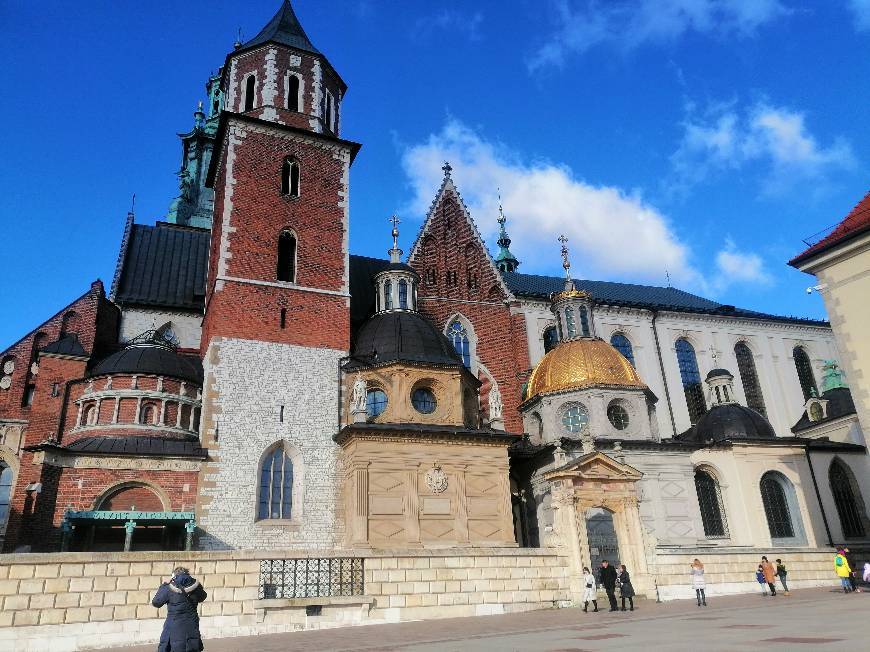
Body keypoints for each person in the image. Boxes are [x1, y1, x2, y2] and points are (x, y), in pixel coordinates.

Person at [151, 566, 207, 652]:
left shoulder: (168, 587)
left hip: (173, 626)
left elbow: (156, 603)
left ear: (174, 575)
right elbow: (203, 597)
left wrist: (162, 587)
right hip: (191, 625)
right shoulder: (196, 585)